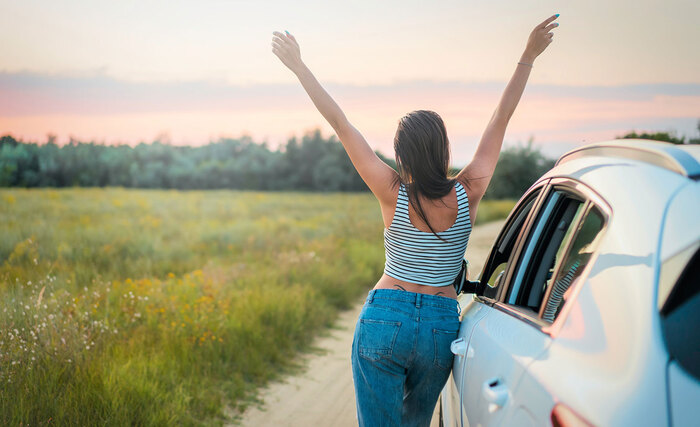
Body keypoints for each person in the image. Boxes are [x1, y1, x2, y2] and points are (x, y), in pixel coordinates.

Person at [271, 14, 559, 427]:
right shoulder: (470, 189)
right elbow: (500, 120)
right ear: (444, 150)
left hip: (386, 315)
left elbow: (340, 123)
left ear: (401, 155)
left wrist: (299, 67)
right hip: (441, 326)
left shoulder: (391, 191)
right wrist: (528, 56)